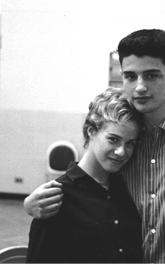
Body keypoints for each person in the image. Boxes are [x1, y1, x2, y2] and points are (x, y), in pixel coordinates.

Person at [24, 29, 165, 263]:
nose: (140, 87)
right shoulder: (125, 146)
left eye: (151, 75)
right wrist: (31, 204)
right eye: (130, 76)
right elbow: (87, 187)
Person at [26, 87, 143, 263]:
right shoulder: (56, 197)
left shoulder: (126, 187)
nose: (121, 152)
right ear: (91, 131)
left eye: (130, 143)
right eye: (113, 139)